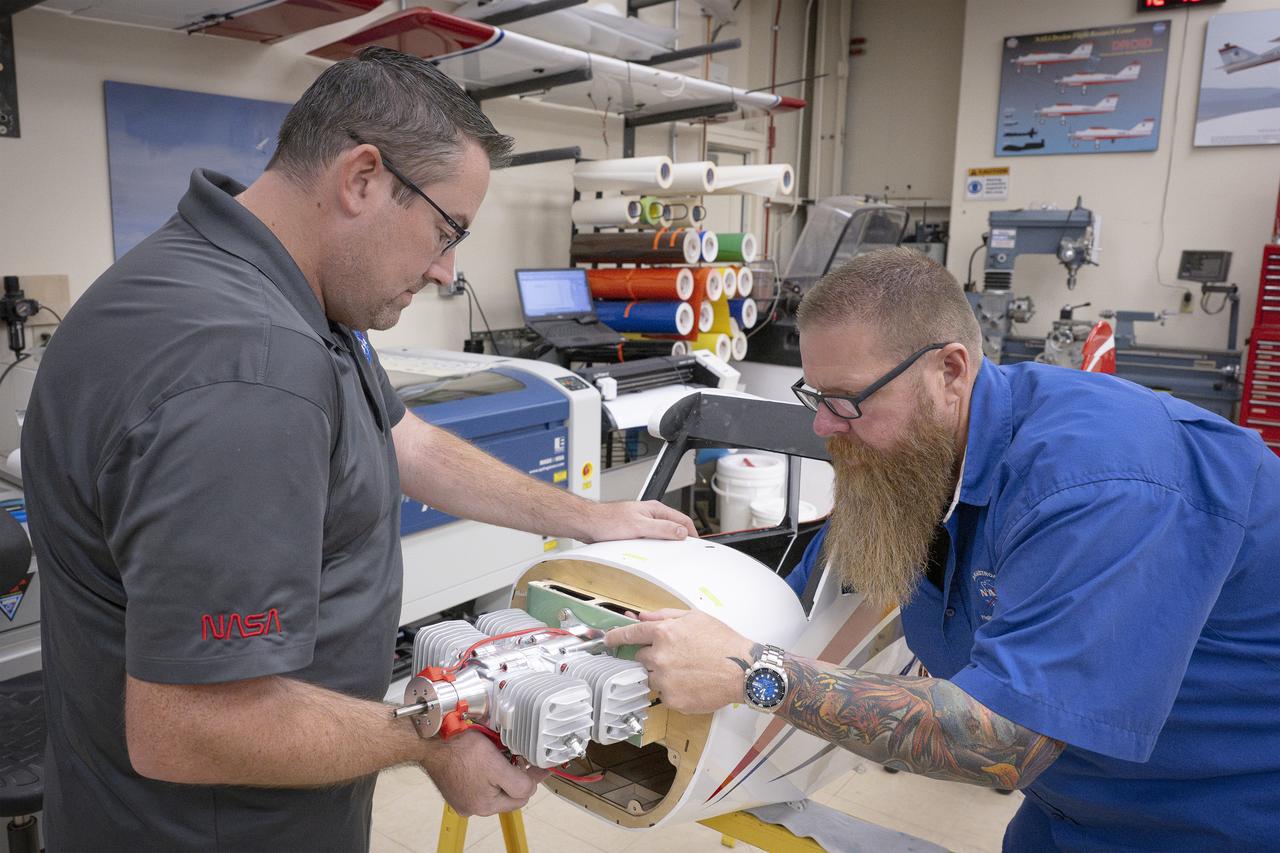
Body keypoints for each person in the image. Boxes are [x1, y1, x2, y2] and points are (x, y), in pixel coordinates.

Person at [22, 47, 695, 853]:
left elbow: (404, 439)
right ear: (363, 179)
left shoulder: (277, 286)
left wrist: (587, 516)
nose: (447, 271)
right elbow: (189, 724)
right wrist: (430, 737)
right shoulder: (250, 373)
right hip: (212, 830)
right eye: (447, 230)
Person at [606, 248, 1280, 850]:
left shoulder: (1101, 484)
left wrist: (755, 671)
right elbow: (805, 605)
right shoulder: (915, 461)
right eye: (815, 394)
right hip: (1070, 811)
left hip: (1219, 816)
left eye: (846, 400)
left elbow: (1002, 739)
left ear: (950, 370)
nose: (820, 425)